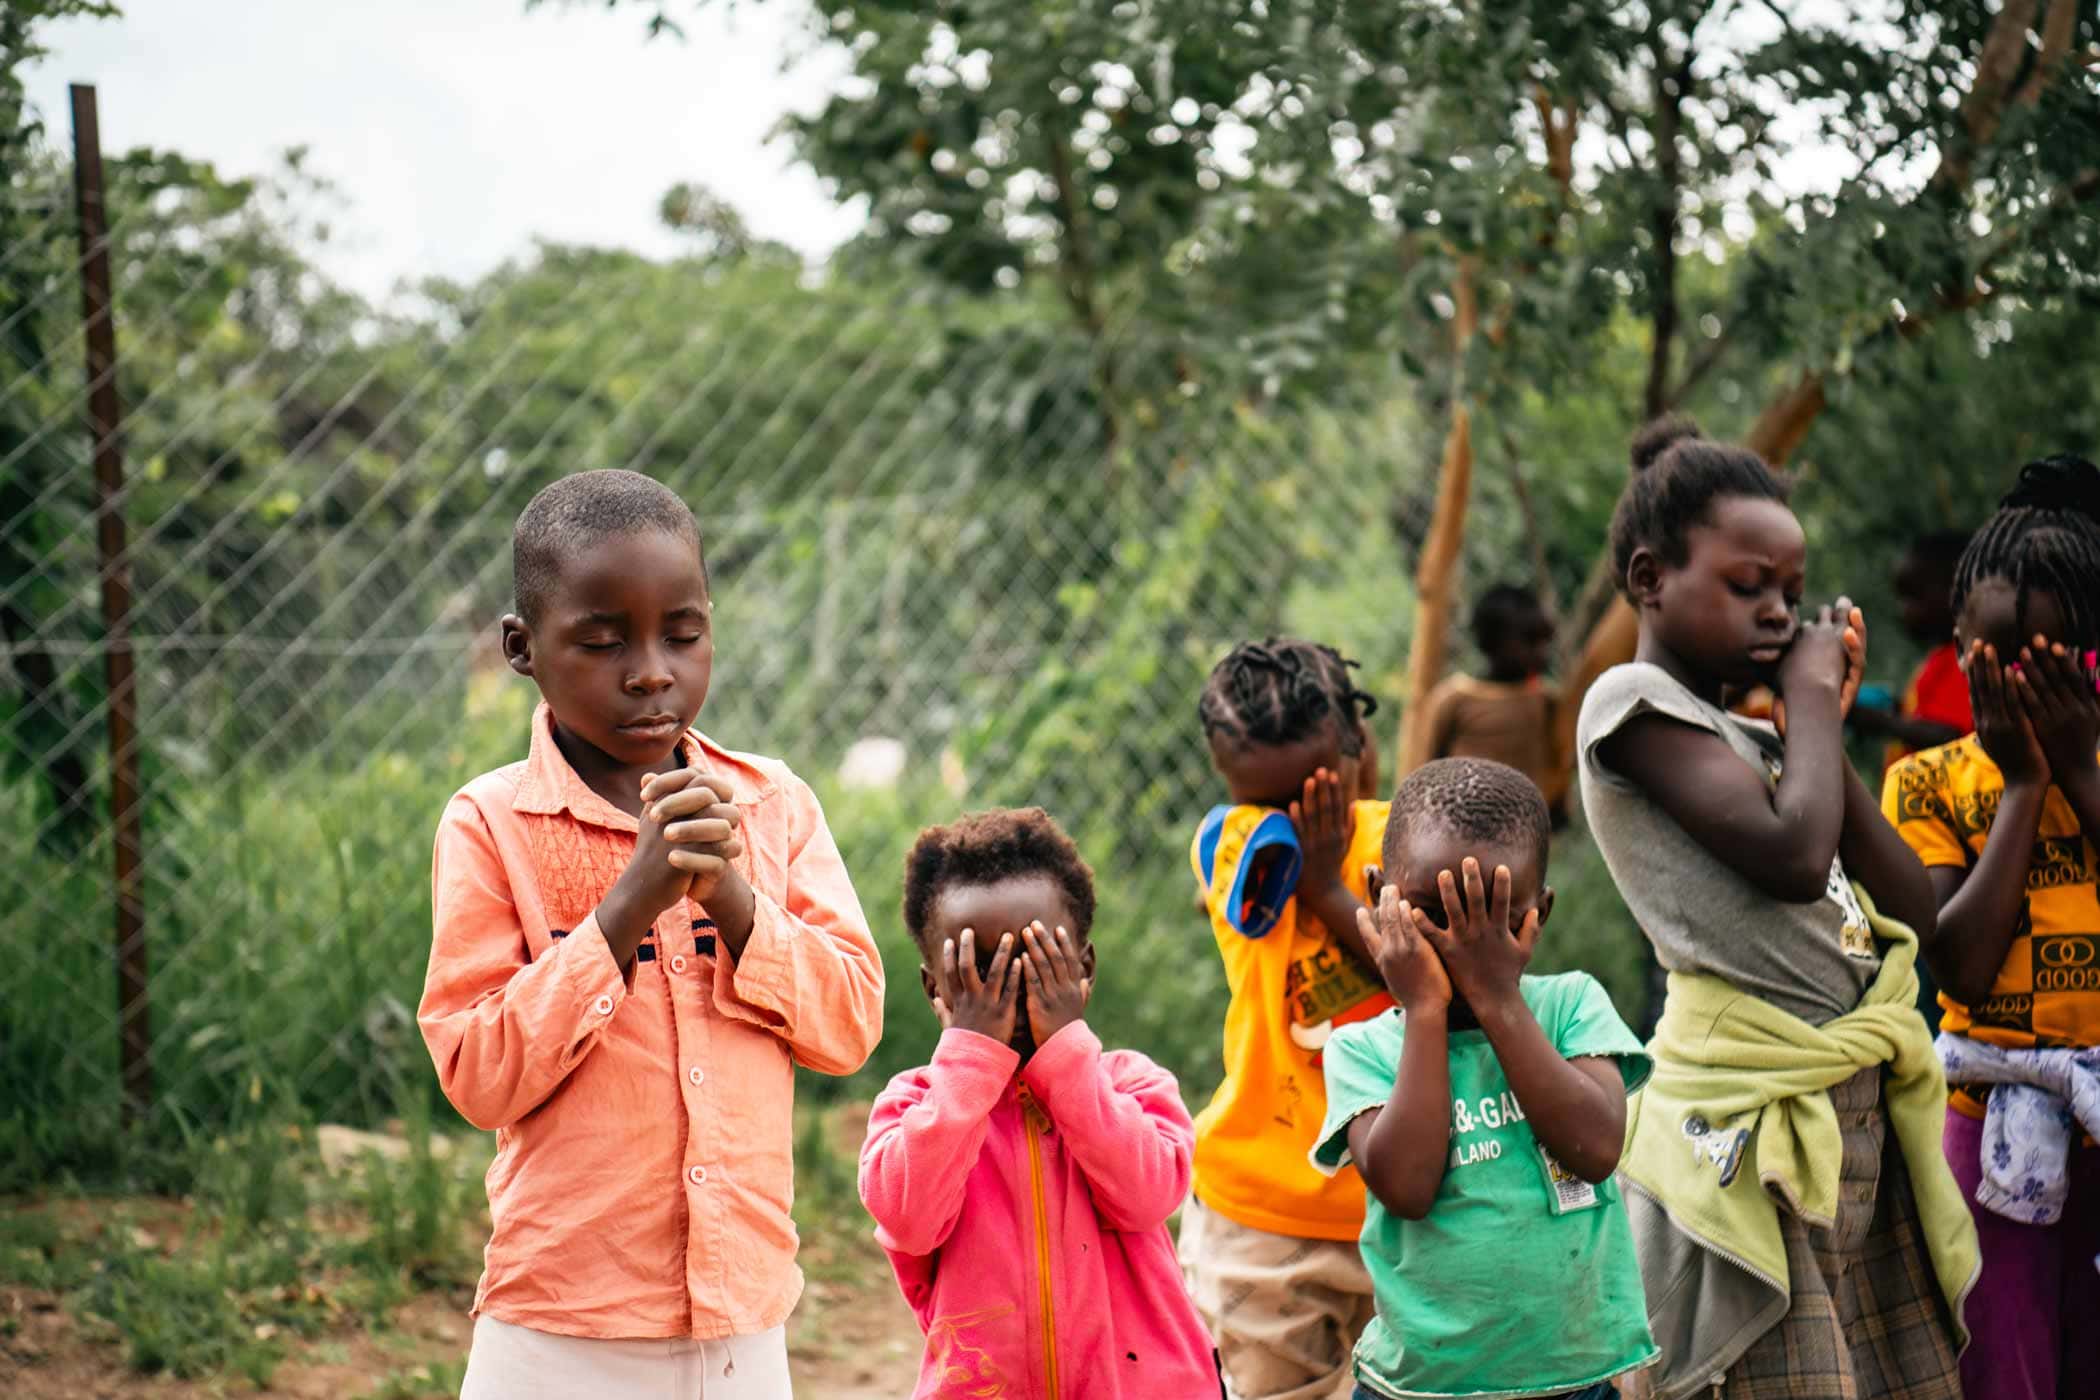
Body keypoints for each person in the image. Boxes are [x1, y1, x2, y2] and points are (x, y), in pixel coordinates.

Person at [418, 470, 885, 1399]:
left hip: (741, 1329)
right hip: (556, 1333)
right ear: (522, 648)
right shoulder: (490, 823)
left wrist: (735, 901)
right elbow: (478, 1075)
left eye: (684, 634)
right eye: (601, 641)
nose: (651, 671)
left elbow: (850, 1027)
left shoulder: (772, 805)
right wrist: (627, 907)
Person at [1575, 433, 1978, 1399]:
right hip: (1751, 1125)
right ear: (1650, 577)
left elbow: (1912, 909)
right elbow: (1799, 857)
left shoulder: (1759, 738)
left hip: (1847, 1113)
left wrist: (1814, 732)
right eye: (1749, 584)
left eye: (1791, 595)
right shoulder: (1628, 707)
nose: (1779, 613)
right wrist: (1811, 704)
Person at [1312, 758, 1658, 1400]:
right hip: (1417, 1391)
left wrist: (1498, 998)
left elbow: (1595, 1150)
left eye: (1489, 915)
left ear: (1540, 912)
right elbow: (1407, 1188)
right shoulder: (1364, 1049)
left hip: (1573, 1386)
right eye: (1431, 914)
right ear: (1377, 895)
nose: (1461, 943)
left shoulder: (1571, 1009)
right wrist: (1424, 1010)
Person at [860, 808, 1221, 1399]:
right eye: (980, 974)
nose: (1011, 996)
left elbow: (1147, 1196)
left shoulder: (1134, 1085)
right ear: (934, 990)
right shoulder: (916, 1106)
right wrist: (970, 1061)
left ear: (1083, 970)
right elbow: (908, 1220)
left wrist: (1067, 1057)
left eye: (1035, 966)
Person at [1881, 456, 2100, 1400]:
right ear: (1959, 648)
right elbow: (1962, 966)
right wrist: (2024, 786)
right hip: (1989, 1126)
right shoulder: (1929, 782)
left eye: (2046, 663)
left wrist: (2081, 771)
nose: (2018, 685)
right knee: (2005, 1368)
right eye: (1994, 661)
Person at [1181, 638, 1389, 1400]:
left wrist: (1335, 888)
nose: (1288, 823)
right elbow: (1263, 882)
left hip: (1397, 1210)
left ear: (1356, 747)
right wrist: (1314, 863)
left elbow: (1427, 982)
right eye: (1262, 802)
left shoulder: (1402, 843)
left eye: (1309, 795)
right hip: (1263, 1221)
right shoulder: (1232, 847)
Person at [1417, 584, 1566, 822]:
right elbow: (1425, 770)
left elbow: (1560, 763)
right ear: (1491, 640)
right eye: (1529, 641)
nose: (1540, 652)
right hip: (1456, 829)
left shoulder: (1545, 701)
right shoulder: (1455, 699)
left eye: (1543, 641)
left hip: (1524, 831)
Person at [1851, 530, 1975, 764]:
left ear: (1955, 589)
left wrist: (1881, 721)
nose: (1903, 610)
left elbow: (1949, 735)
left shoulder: (1963, 660)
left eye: (1913, 596)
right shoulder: (1939, 658)